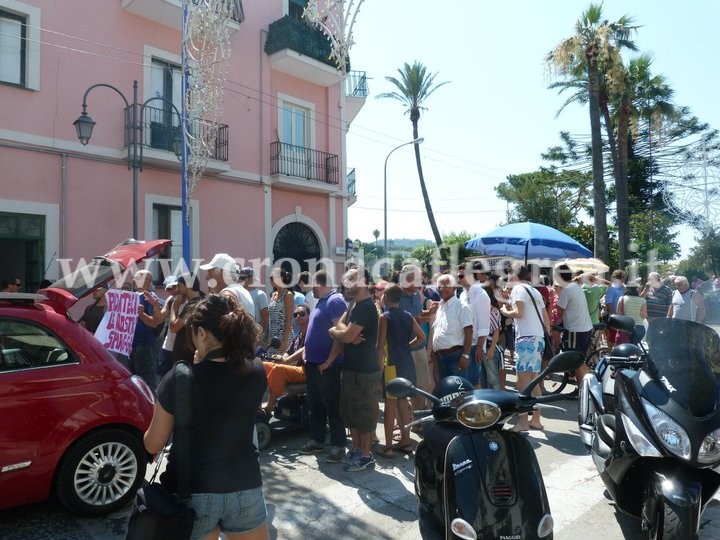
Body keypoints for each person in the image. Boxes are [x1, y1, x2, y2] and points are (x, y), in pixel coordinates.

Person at [143, 294, 269, 540]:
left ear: (202, 333)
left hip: (193, 493)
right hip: (246, 486)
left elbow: (153, 444)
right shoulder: (256, 370)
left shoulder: (179, 379)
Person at [328, 268, 380, 472]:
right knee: (350, 412)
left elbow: (347, 336)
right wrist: (338, 331)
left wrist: (337, 332)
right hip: (351, 368)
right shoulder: (353, 305)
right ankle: (357, 449)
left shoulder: (366, 307)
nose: (347, 282)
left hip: (364, 371)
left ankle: (366, 455)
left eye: (352, 279)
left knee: (363, 414)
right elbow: (341, 327)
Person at [299, 270, 348, 463]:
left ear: (320, 284)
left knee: (332, 406)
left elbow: (340, 334)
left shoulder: (334, 301)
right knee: (315, 404)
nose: (311, 289)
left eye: (313, 286)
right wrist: (305, 352)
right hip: (313, 363)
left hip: (327, 366)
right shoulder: (321, 301)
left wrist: (329, 361)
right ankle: (317, 440)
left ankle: (338, 445)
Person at [376, 284, 425, 458]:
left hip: (391, 365)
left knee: (390, 405)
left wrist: (376, 369)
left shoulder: (385, 317)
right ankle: (406, 442)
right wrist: (407, 346)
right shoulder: (408, 315)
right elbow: (422, 337)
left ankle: (388, 446)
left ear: (386, 298)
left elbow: (380, 347)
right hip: (407, 362)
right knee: (403, 403)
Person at [500, 264, 548, 432]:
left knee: (521, 382)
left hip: (526, 339)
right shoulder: (533, 290)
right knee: (533, 382)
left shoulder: (518, 289)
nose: (506, 279)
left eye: (508, 276)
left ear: (514, 276)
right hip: (538, 338)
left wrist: (505, 310)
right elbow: (546, 319)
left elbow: (518, 313)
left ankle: (522, 422)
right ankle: (536, 419)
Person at [261, 304, 309, 416]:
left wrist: (286, 361)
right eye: (295, 314)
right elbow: (289, 352)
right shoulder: (298, 336)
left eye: (302, 314)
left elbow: (303, 350)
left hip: (308, 370)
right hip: (296, 369)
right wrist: (281, 358)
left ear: (309, 316)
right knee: (264, 365)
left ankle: (268, 409)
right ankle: (257, 406)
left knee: (278, 369)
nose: (298, 316)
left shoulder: (312, 333)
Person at [125, 270, 163, 391]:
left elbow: (154, 323)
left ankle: (150, 407)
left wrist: (141, 314)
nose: (144, 280)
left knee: (145, 382)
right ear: (134, 281)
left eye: (147, 279)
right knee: (131, 381)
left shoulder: (150, 298)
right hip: (127, 346)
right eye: (140, 277)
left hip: (143, 345)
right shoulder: (129, 297)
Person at [554, 264, 593, 386]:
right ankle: (587, 387)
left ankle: (582, 389)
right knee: (580, 360)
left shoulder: (566, 290)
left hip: (575, 330)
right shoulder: (575, 286)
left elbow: (560, 309)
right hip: (584, 328)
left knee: (576, 361)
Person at [430, 274, 473, 380]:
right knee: (444, 393)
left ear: (454, 287)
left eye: (445, 285)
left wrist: (465, 355)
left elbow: (469, 332)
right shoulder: (439, 307)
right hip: (439, 358)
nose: (441, 289)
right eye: (439, 286)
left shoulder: (461, 306)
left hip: (455, 357)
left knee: (459, 392)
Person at [458, 262, 491, 388]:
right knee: (466, 382)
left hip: (474, 346)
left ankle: (478, 406)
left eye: (461, 276)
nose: (458, 279)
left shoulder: (481, 295)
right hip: (464, 344)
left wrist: (479, 348)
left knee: (475, 381)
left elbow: (484, 324)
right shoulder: (462, 294)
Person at [200, 253, 255, 319]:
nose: (207, 277)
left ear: (222, 272)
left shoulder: (227, 294)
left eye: (209, 273)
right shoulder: (243, 291)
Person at [170, 274, 204, 364]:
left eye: (179, 286)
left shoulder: (192, 305)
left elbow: (173, 327)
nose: (177, 290)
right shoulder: (202, 300)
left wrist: (175, 307)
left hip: (186, 358)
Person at [266, 268, 294, 354]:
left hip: (283, 337)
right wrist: (267, 336)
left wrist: (284, 340)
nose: (270, 280)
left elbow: (289, 319)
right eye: (270, 277)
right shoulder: (273, 294)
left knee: (281, 364)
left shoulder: (288, 295)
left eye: (272, 277)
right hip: (272, 337)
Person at [239, 267, 269, 340]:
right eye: (240, 278)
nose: (240, 280)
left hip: (255, 335)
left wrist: (257, 335)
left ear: (249, 279)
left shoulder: (260, 294)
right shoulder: (239, 293)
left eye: (243, 278)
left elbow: (266, 318)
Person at [604, 269, 627, 349]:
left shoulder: (624, 287)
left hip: (623, 317)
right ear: (617, 278)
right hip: (614, 317)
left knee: (621, 337)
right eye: (623, 277)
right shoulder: (611, 288)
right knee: (612, 338)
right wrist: (615, 315)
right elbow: (608, 303)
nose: (624, 279)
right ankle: (610, 353)